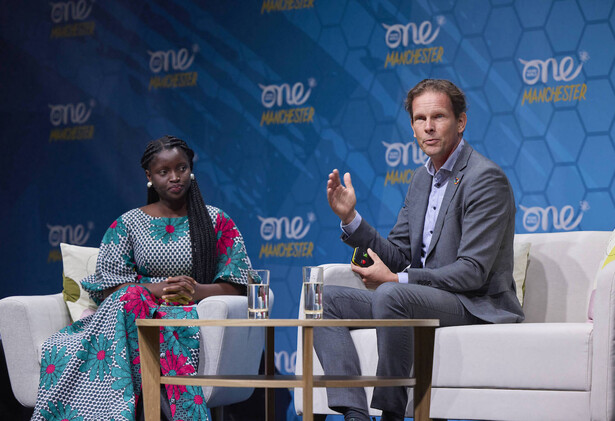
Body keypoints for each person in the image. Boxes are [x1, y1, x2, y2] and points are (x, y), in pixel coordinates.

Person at [313, 79, 524, 421]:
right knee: (323, 302)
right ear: (412, 126)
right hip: (425, 298)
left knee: (391, 294)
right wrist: (351, 218)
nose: (428, 127)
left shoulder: (485, 178)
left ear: (460, 122)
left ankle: (392, 414)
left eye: (438, 116)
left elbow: (472, 271)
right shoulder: (420, 179)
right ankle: (354, 412)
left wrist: (397, 279)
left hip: (474, 303)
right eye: (419, 119)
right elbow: (398, 253)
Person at [31, 135, 252, 420]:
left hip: (189, 314)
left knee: (137, 302)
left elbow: (240, 286)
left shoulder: (216, 220)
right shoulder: (128, 224)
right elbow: (111, 290)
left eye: (181, 168)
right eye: (164, 172)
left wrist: (196, 291)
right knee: (130, 297)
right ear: (149, 176)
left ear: (190, 168)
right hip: (134, 316)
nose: (174, 177)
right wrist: (155, 289)